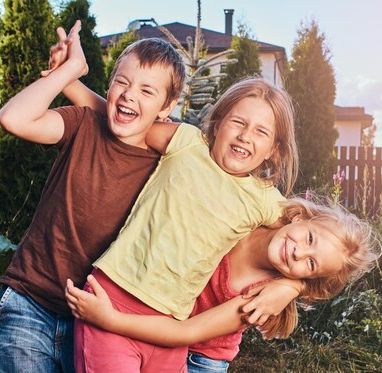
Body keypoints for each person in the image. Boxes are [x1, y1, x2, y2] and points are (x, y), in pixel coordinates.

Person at [50, 29, 302, 373]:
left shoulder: (265, 200)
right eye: (238, 122)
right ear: (217, 124)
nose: (245, 135)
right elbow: (121, 119)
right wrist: (66, 79)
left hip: (170, 326)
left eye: (261, 132)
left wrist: (291, 285)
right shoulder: (185, 142)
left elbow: (317, 245)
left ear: (273, 149)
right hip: (115, 294)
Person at [0, 20, 187, 373]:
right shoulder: (82, 124)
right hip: (29, 302)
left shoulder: (168, 163)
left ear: (167, 106)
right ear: (109, 85)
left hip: (97, 325)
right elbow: (13, 118)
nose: (129, 95)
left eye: (147, 90)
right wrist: (67, 73)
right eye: (122, 83)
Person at [65, 197, 382, 372]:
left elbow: (185, 334)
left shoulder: (257, 298)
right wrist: (294, 287)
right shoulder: (253, 212)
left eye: (310, 264)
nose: (299, 251)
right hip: (162, 328)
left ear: (309, 278)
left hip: (199, 358)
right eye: (309, 238)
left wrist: (111, 320)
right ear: (300, 218)